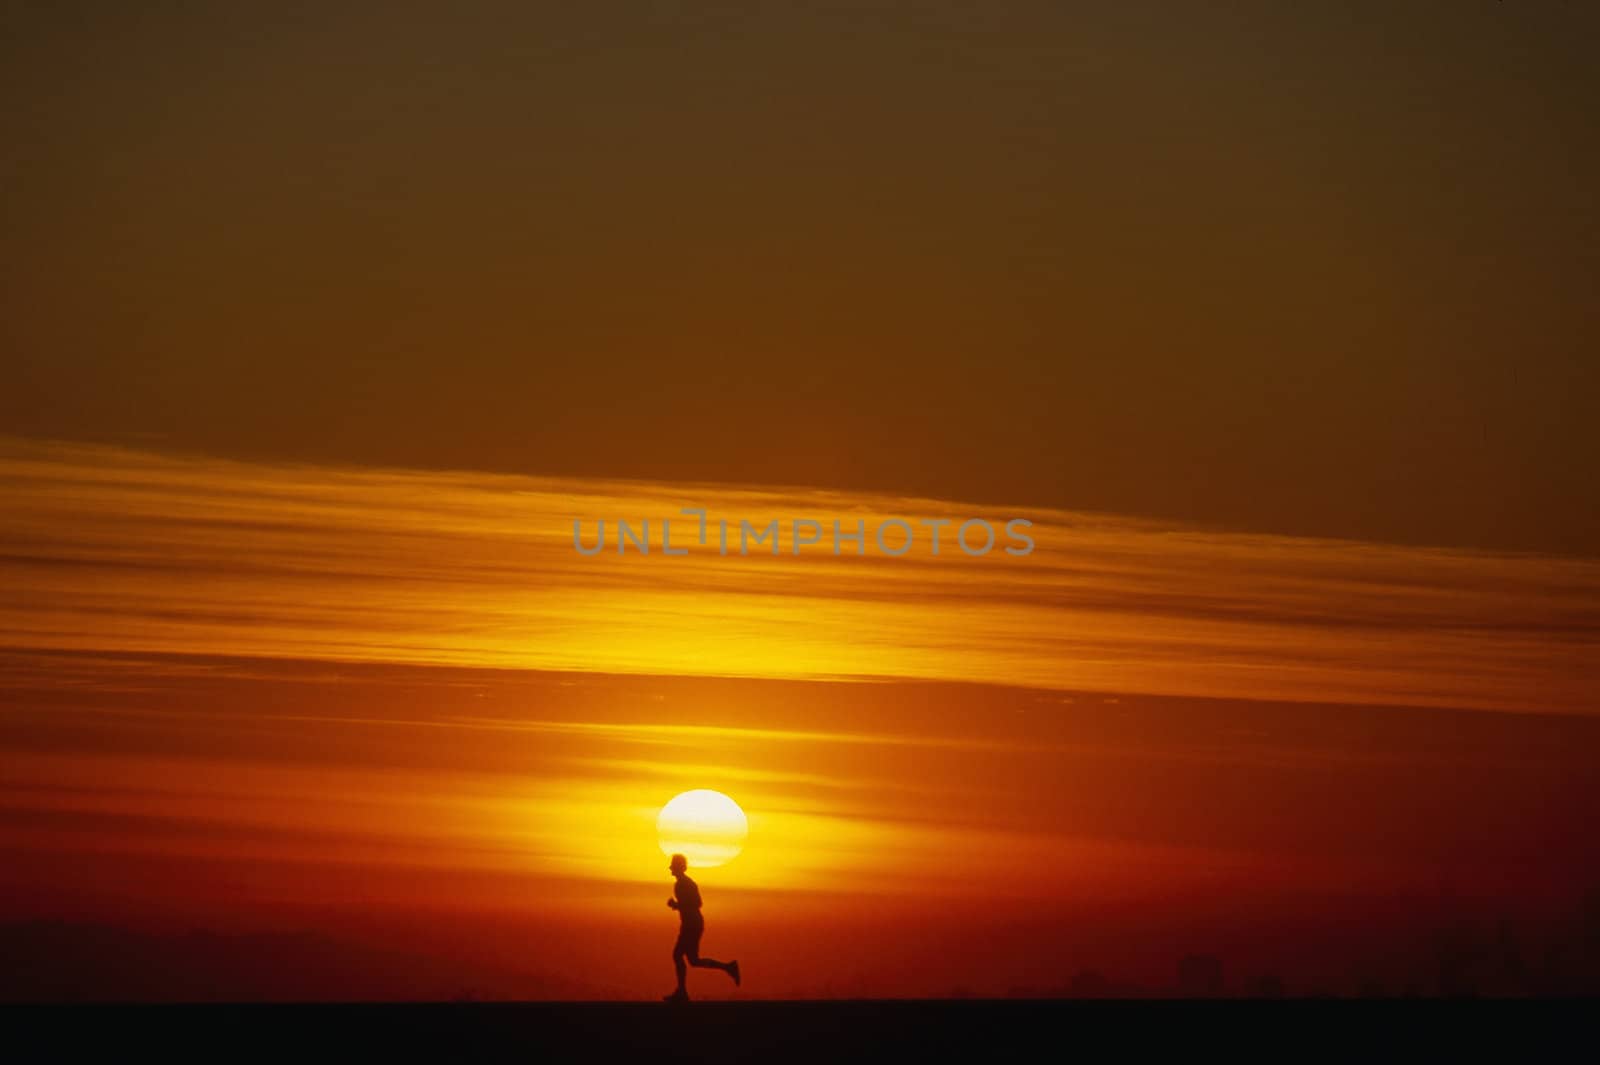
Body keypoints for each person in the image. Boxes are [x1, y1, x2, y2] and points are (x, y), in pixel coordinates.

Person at [664, 853, 740, 1001]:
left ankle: (682, 992)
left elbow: (696, 903)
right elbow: (692, 904)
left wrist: (676, 905)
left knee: (677, 955)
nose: (671, 869)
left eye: (673, 866)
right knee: (693, 960)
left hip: (692, 925)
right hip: (691, 924)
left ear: (679, 868)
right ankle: (728, 967)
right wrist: (678, 906)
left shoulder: (684, 884)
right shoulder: (682, 884)